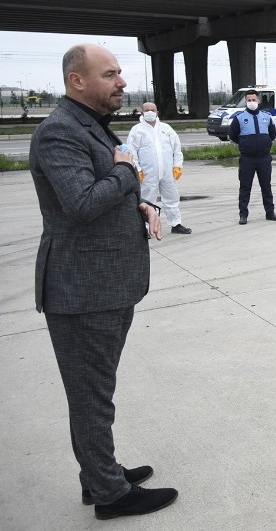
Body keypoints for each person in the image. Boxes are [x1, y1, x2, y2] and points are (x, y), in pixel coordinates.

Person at [28, 44, 177, 520]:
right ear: (78, 81)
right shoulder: (58, 132)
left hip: (102, 284)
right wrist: (125, 172)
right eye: (110, 74)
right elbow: (82, 202)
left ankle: (100, 474)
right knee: (92, 395)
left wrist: (138, 201)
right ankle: (109, 494)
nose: (122, 82)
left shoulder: (87, 124)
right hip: (82, 288)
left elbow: (99, 193)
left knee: (96, 390)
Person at [127, 102, 190, 234]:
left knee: (172, 197)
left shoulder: (166, 128)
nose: (150, 112)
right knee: (146, 199)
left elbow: (176, 148)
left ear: (157, 112)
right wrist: (137, 169)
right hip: (148, 173)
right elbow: (132, 152)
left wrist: (177, 165)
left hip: (167, 172)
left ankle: (176, 223)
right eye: (147, 110)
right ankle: (144, 227)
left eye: (152, 110)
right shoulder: (137, 130)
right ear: (142, 112)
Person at [228, 89, 276, 224]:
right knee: (245, 187)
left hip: (264, 158)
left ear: (258, 100)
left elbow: (272, 134)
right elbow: (233, 135)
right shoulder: (239, 118)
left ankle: (270, 212)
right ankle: (243, 215)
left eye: (254, 100)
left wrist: (265, 144)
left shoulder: (266, 117)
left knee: (266, 186)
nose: (252, 102)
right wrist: (245, 144)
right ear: (246, 101)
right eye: (249, 100)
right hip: (247, 159)